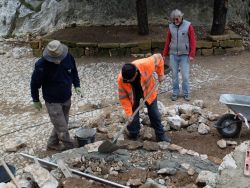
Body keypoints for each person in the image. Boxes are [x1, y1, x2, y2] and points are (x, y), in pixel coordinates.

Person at [30, 40, 82, 151]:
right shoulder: (41, 65)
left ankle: (52, 143)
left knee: (62, 123)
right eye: (54, 59)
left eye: (59, 58)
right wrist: (35, 99)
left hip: (67, 97)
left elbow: (74, 72)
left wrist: (77, 85)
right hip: (52, 101)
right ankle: (71, 148)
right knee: (62, 128)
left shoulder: (68, 57)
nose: (57, 61)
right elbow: (34, 83)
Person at [117, 53, 171, 142]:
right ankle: (133, 134)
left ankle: (160, 135)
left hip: (149, 91)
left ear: (136, 73)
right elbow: (123, 98)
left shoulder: (146, 64)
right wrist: (129, 113)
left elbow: (159, 57)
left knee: (155, 114)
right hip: (133, 96)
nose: (127, 81)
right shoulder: (121, 79)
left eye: (129, 80)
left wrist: (160, 74)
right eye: (126, 80)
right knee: (132, 118)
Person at [163, 9, 196, 101]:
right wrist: (164, 54)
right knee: (174, 75)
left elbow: (192, 40)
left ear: (181, 17)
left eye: (176, 19)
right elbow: (168, 41)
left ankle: (186, 93)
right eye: (173, 19)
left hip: (184, 55)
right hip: (173, 54)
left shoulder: (188, 25)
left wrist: (192, 54)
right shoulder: (171, 27)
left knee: (185, 76)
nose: (175, 21)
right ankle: (175, 92)